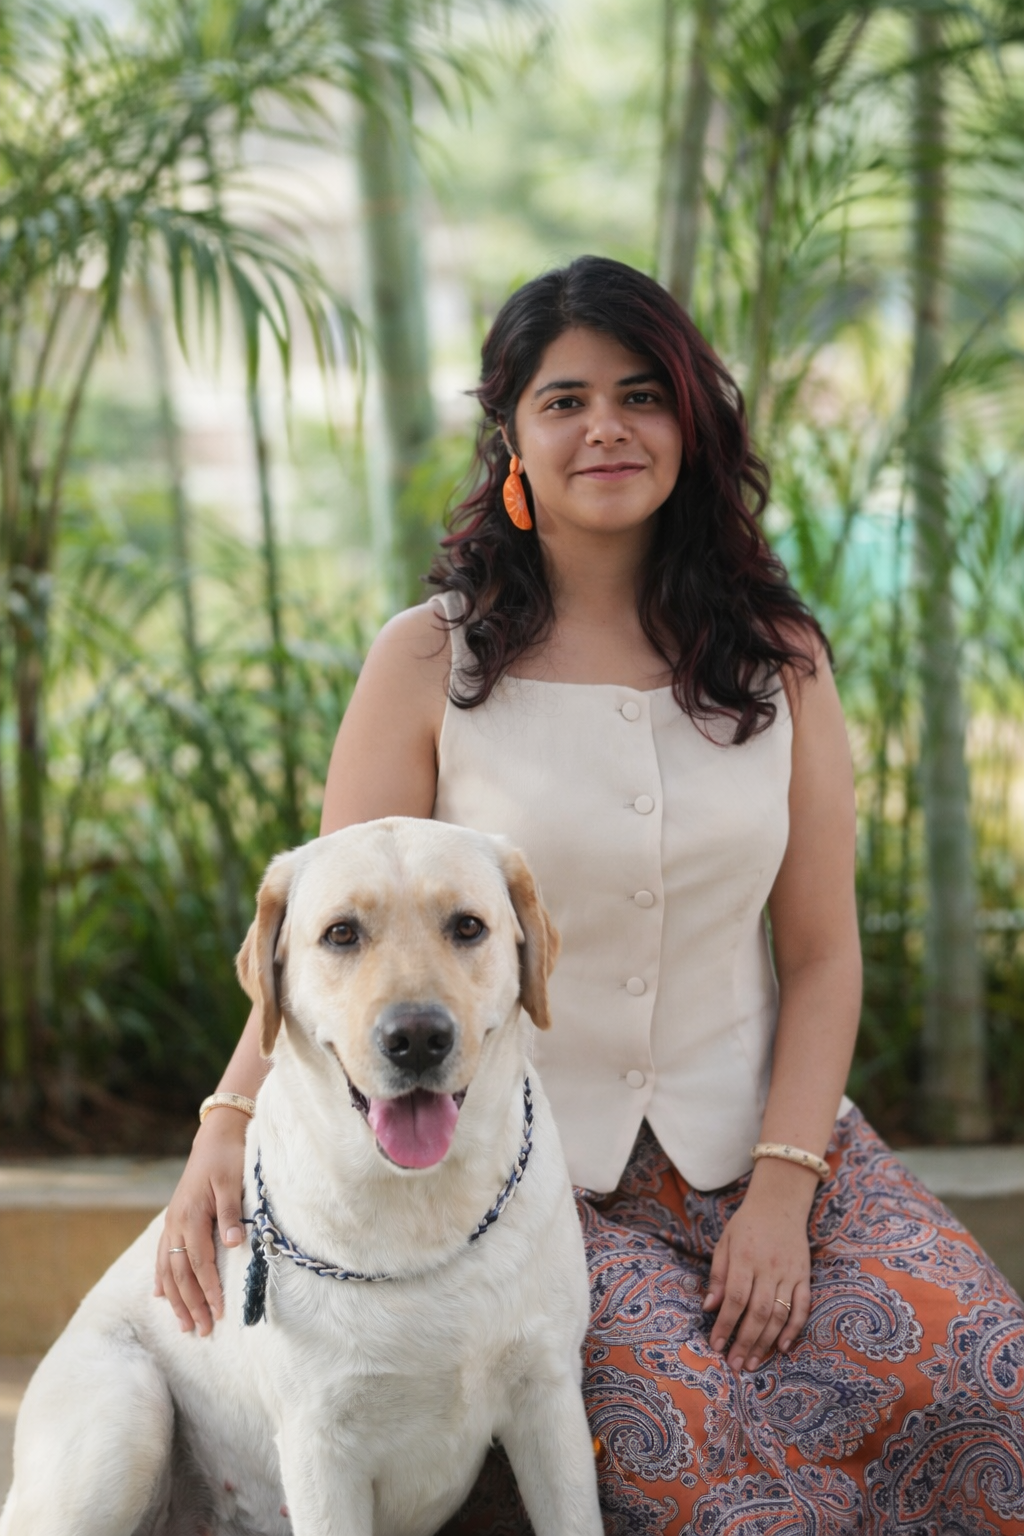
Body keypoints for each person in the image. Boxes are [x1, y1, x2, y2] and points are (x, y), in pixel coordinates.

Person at [157, 256, 1024, 1533]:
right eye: (563, 400)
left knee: (986, 1389)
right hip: (526, 1179)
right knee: (723, 1486)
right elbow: (328, 937)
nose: (605, 427)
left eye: (641, 394)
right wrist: (227, 1117)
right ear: (510, 431)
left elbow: (825, 955)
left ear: (693, 422)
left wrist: (784, 1191)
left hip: (770, 1140)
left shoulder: (781, 662)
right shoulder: (429, 658)